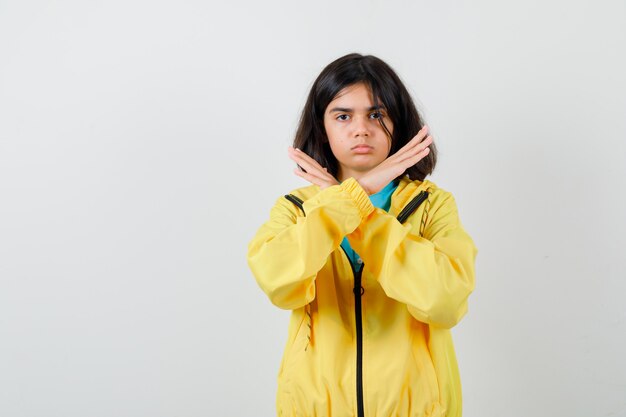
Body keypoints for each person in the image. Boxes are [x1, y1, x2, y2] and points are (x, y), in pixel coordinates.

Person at [247, 52, 478, 417]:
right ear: (321, 127)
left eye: (376, 114)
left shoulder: (433, 206)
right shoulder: (295, 208)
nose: (361, 129)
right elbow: (277, 280)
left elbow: (444, 301)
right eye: (342, 116)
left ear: (397, 122)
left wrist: (359, 210)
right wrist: (348, 200)